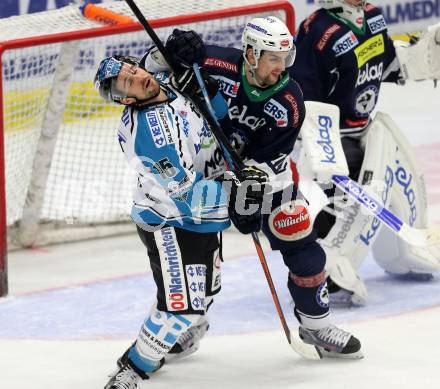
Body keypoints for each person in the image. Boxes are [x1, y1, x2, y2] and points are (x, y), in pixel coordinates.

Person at [146, 17, 362, 359]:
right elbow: (147, 75)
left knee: (299, 239)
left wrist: (247, 198)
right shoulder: (214, 63)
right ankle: (189, 322)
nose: (281, 67)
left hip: (265, 178)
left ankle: (315, 324)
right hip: (203, 176)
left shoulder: (290, 102)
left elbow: (267, 161)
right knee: (195, 255)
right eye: (273, 58)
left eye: (285, 58)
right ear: (250, 53)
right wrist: (165, 56)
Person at [94, 54, 269, 388]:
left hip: (203, 217)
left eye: (134, 70)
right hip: (171, 221)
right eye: (128, 83)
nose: (137, 77)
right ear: (127, 99)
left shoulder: (173, 85)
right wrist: (237, 197)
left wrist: (209, 91)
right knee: (181, 308)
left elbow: (217, 119)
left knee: (206, 293)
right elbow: (186, 195)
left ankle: (176, 335)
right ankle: (134, 365)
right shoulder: (150, 133)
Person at [290, 0, 440, 304]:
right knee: (351, 203)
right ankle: (324, 270)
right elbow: (301, 92)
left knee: (402, 180)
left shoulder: (372, 17)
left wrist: (421, 56)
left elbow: (386, 66)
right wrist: (317, 142)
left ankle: (405, 252)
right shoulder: (316, 30)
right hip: (331, 134)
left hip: (364, 127)